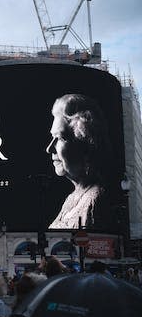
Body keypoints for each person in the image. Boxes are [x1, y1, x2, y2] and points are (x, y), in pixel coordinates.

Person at [46, 94, 111, 229]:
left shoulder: (95, 199)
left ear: (85, 145)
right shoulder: (71, 199)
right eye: (52, 137)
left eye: (60, 138)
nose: (49, 148)